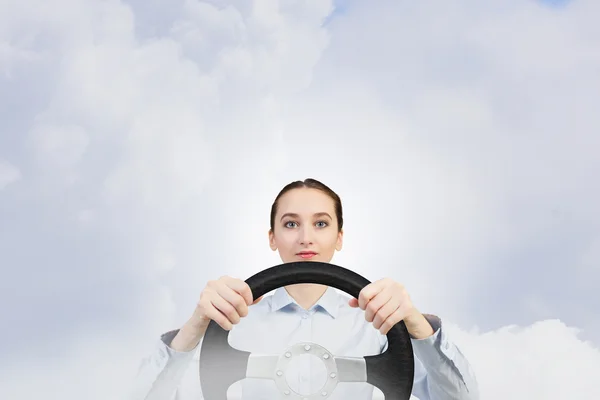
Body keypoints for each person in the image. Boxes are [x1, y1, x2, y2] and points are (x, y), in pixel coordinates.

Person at [129, 178, 479, 400]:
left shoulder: (374, 325)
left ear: (339, 237)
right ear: (272, 238)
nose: (306, 237)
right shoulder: (234, 326)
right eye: (291, 223)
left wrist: (418, 325)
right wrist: (193, 328)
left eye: (321, 223)